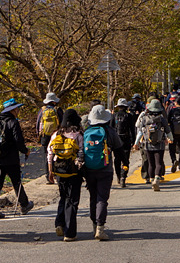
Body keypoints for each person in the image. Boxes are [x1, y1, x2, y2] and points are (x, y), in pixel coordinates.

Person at [0, 98, 34, 219]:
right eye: (17, 108)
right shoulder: (13, 122)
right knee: (16, 181)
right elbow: (18, 140)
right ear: (12, 110)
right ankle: (24, 205)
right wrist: (25, 151)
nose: (18, 111)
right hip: (11, 158)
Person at [82, 105, 123, 240]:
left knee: (93, 197)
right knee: (102, 198)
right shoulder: (109, 131)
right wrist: (122, 165)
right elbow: (119, 148)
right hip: (105, 169)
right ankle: (100, 227)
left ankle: (94, 225)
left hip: (89, 169)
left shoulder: (87, 131)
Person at [47, 109, 84, 242]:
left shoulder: (56, 134)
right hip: (73, 172)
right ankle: (70, 233)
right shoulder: (78, 135)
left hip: (59, 171)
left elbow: (50, 154)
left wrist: (50, 172)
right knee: (72, 201)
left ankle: (59, 223)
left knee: (63, 197)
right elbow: (81, 153)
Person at [134, 99, 172, 191]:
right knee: (158, 163)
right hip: (160, 144)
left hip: (148, 144)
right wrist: (171, 139)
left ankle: (151, 181)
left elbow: (140, 132)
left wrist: (136, 143)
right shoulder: (162, 119)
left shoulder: (145, 118)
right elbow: (168, 130)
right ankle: (157, 179)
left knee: (151, 164)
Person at [36, 92, 63, 184]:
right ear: (54, 101)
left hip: (45, 136)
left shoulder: (42, 110)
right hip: (56, 135)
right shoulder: (58, 110)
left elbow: (38, 123)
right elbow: (62, 122)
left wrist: (39, 135)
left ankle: (48, 176)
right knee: (56, 154)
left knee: (46, 155)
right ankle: (57, 174)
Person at [109, 99, 135, 187]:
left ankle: (118, 176)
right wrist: (133, 141)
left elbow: (111, 129)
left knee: (117, 159)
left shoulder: (114, 116)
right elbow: (132, 129)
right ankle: (123, 175)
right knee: (125, 159)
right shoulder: (129, 116)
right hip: (126, 140)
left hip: (116, 140)